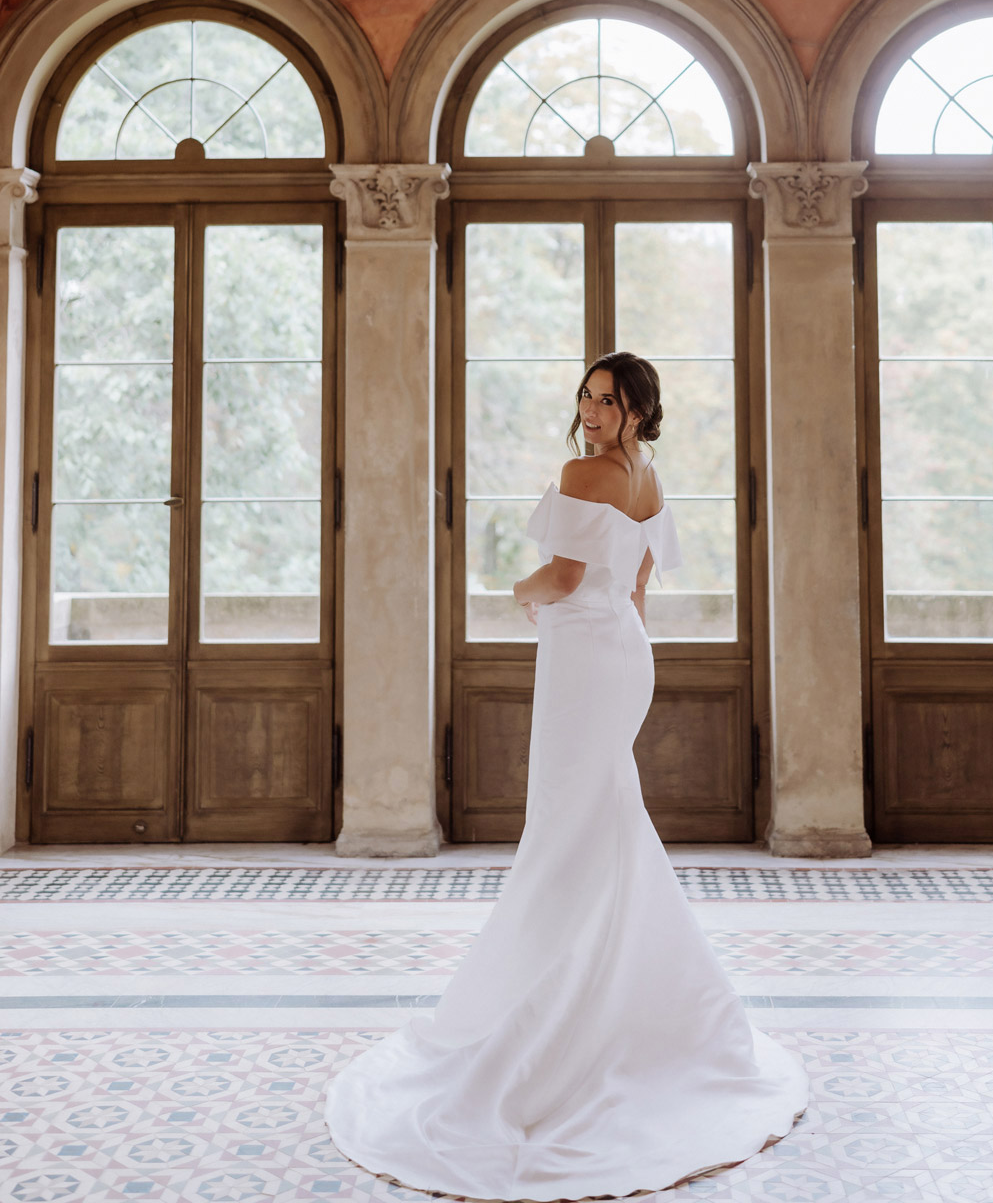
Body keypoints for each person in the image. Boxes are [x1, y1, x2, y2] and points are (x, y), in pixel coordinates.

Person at [325, 351, 807, 1200]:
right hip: (622, 652)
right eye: (585, 396)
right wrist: (616, 638)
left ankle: (560, 1001)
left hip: (585, 656)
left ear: (636, 410)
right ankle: (615, 991)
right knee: (601, 819)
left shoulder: (584, 472)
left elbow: (566, 576)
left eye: (608, 401)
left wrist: (520, 591)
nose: (590, 411)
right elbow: (641, 580)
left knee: (562, 821)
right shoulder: (647, 475)